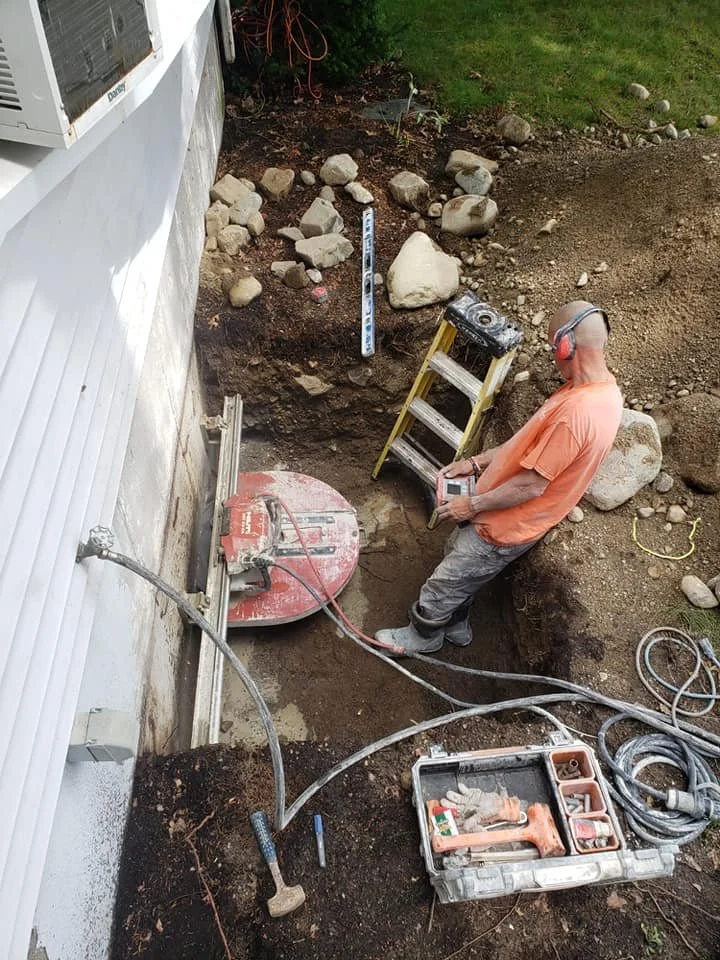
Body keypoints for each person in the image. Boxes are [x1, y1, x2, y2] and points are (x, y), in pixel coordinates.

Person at [375, 300, 624, 656]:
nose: (554, 356)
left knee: (446, 581)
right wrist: (476, 464)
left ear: (568, 346)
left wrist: (470, 505)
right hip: (504, 510)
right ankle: (456, 625)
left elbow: (531, 485)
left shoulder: (577, 415)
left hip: (505, 524)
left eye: (555, 347)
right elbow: (527, 445)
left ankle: (423, 637)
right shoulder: (598, 392)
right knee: (462, 569)